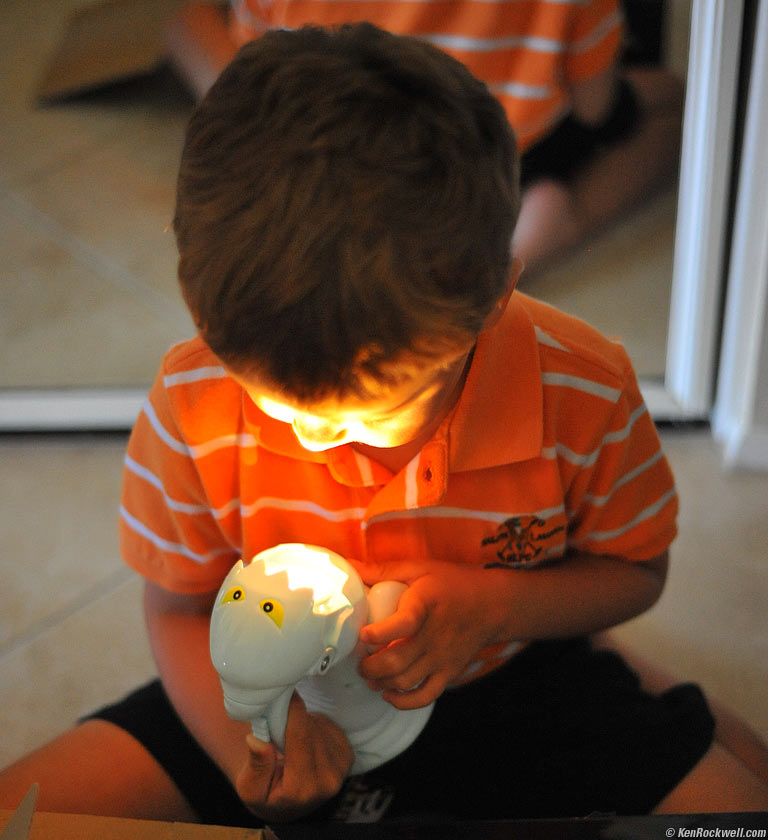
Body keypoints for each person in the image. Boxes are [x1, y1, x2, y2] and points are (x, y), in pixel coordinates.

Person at [1, 24, 767, 825]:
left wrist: (495, 608)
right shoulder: (195, 398)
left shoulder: (579, 386)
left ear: (494, 298)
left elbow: (637, 569)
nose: (319, 438)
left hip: (508, 677)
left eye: (374, 402)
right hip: (274, 700)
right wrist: (248, 752)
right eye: (277, 401)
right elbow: (178, 608)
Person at [165, 0, 685, 274]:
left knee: (183, 21)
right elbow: (596, 110)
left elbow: (265, 71)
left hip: (332, 156)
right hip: (496, 156)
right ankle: (542, 236)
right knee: (678, 110)